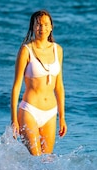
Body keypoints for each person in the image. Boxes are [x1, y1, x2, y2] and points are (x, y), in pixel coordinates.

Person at [11, 10, 67, 155]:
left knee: (47, 161)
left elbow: (59, 86)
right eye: (38, 24)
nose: (42, 28)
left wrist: (62, 117)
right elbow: (16, 86)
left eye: (45, 24)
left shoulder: (58, 50)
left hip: (50, 113)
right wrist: (14, 120)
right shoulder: (26, 50)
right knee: (35, 158)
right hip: (29, 110)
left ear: (51, 27)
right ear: (33, 27)